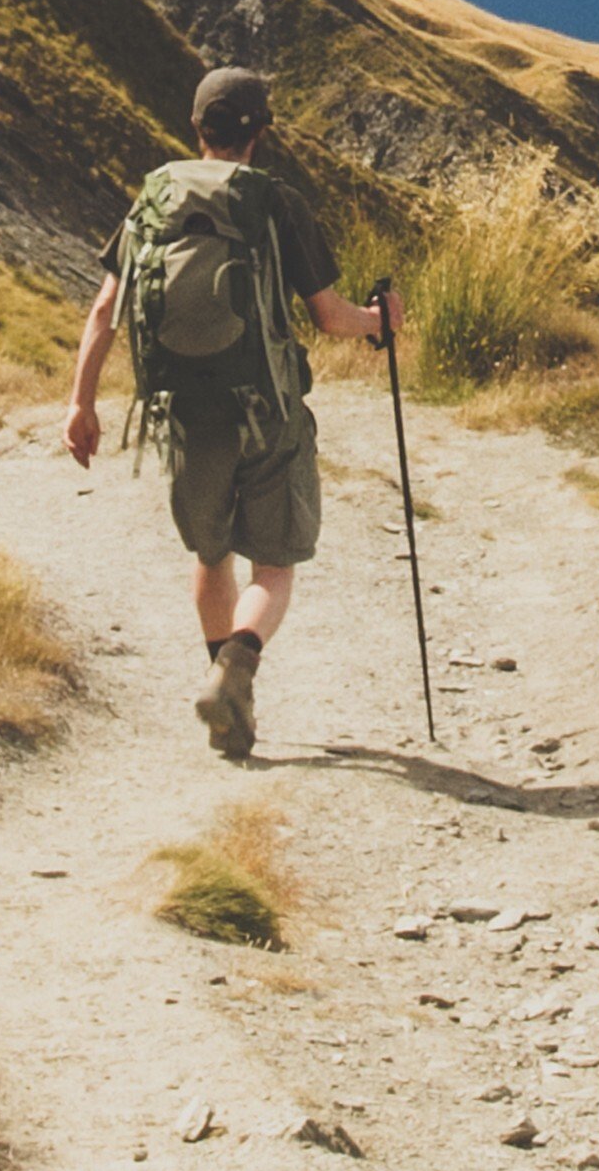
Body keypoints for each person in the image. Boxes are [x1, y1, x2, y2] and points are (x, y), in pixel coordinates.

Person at [64, 64, 392, 761]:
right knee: (272, 566)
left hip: (183, 411)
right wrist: (380, 320)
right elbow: (331, 319)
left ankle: (226, 695)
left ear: (197, 128)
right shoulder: (275, 201)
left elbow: (104, 310)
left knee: (210, 555)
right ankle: (235, 669)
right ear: (261, 133)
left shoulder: (154, 196)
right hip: (267, 408)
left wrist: (81, 403)